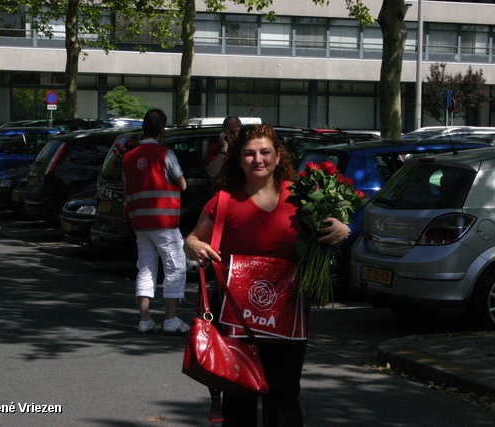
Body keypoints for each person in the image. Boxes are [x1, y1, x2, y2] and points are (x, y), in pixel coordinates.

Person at [184, 124, 349, 426]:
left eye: (265, 152)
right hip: (236, 317)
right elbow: (193, 238)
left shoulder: (302, 197)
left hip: (288, 314)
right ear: (238, 159)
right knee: (240, 396)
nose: (257, 159)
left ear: (277, 156)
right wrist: (193, 245)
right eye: (249, 153)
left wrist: (343, 228)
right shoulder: (222, 202)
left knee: (285, 397)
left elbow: (334, 227)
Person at [122, 108, 190, 334]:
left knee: (146, 268)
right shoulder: (165, 154)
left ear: (143, 128)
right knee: (175, 267)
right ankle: (171, 320)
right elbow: (182, 184)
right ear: (163, 129)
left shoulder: (128, 157)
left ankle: (145, 320)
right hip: (164, 221)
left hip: (140, 222)